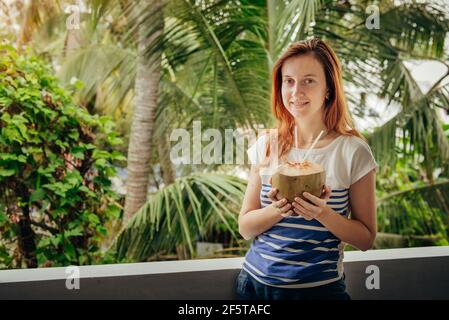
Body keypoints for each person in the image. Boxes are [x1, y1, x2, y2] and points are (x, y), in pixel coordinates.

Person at [236, 37, 378, 300]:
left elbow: (366, 239)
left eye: (308, 81)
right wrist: (278, 210)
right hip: (255, 286)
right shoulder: (267, 144)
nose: (295, 92)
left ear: (329, 89)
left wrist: (322, 213)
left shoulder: (353, 151)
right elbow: (245, 227)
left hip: (319, 292)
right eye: (288, 81)